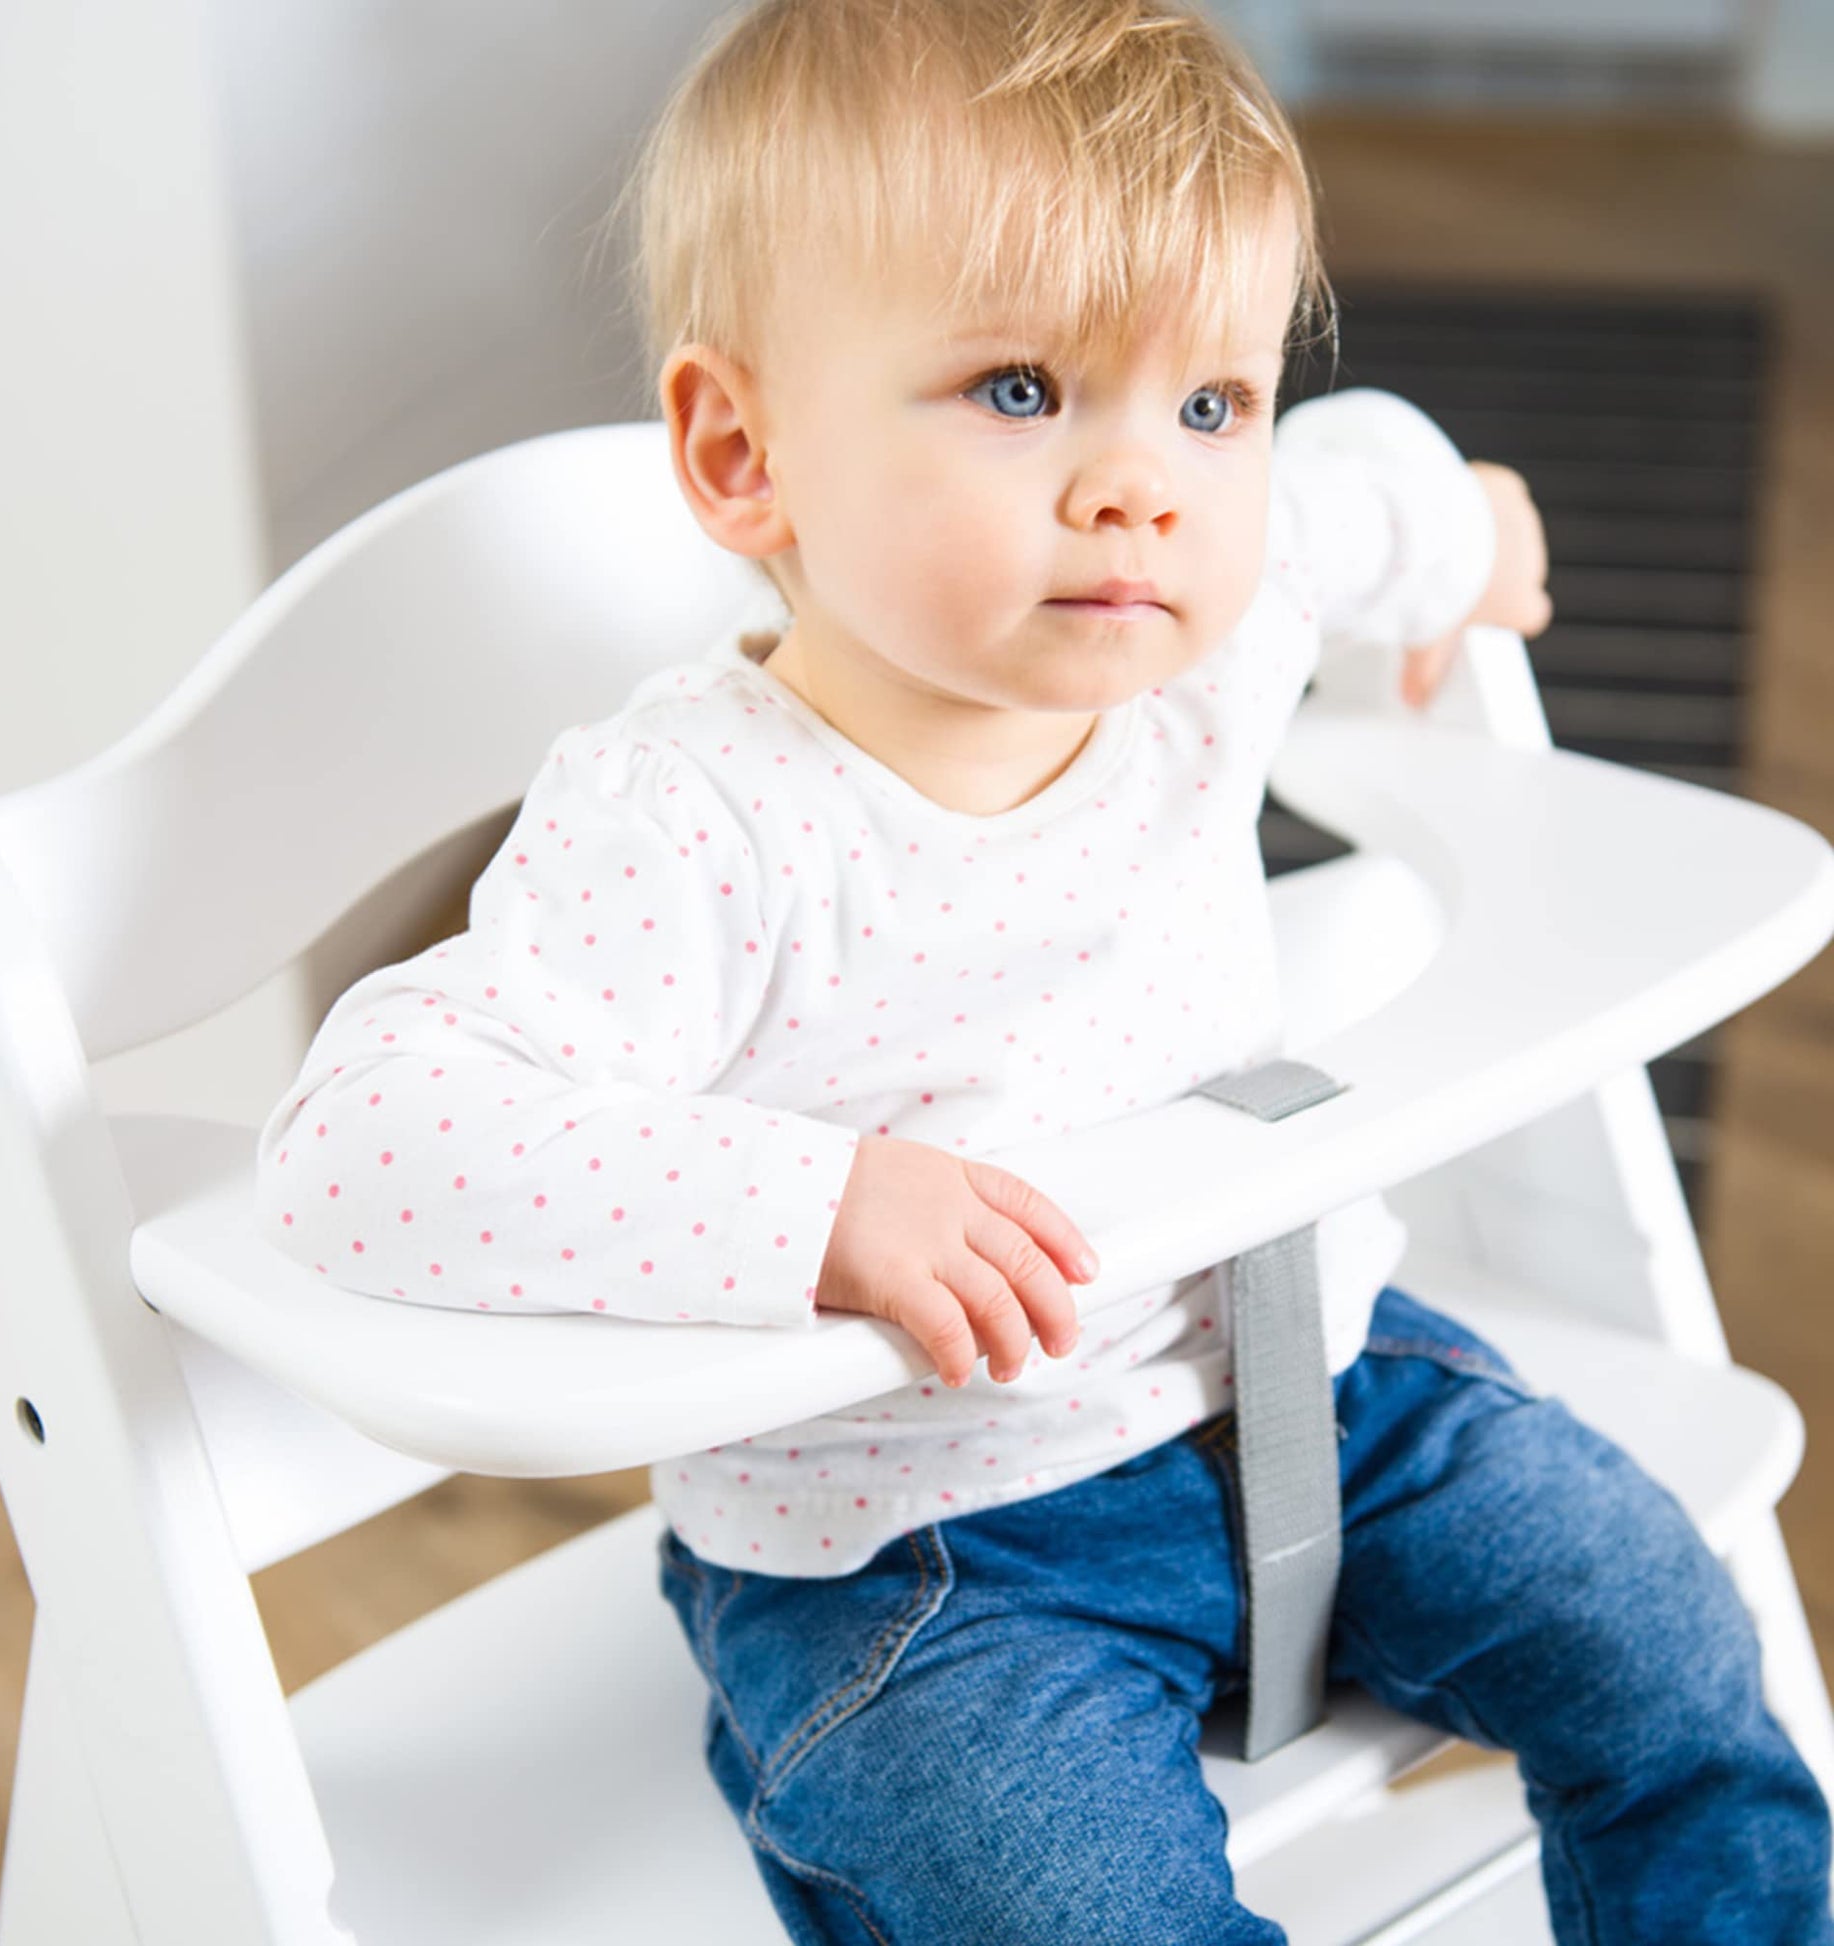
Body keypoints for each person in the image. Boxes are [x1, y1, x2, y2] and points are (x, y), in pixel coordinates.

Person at [255, 1, 1834, 1937]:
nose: (1140, 487)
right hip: (916, 1545)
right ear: (743, 451)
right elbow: (363, 1136)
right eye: (1020, 391)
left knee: (1668, 1641)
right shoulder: (693, 819)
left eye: (1203, 403)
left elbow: (1347, 490)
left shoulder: (1200, 647)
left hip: (1319, 1384)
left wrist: (1470, 531)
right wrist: (817, 1204)